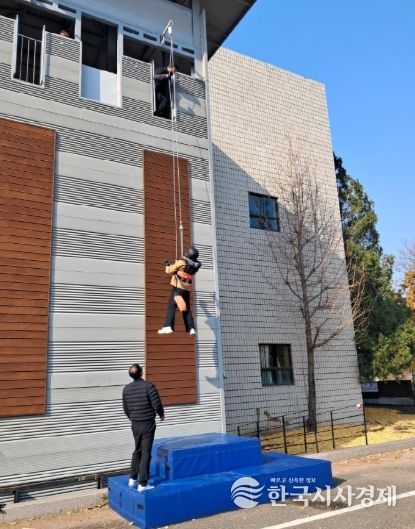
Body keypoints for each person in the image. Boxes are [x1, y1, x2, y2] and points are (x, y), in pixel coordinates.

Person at [122, 364, 164, 492]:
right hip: (147, 423)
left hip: (135, 424)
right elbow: (156, 403)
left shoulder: (126, 389)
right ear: (141, 373)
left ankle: (132, 478)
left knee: (137, 450)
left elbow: (126, 408)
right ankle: (143, 484)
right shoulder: (148, 386)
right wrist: (161, 414)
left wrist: (133, 418)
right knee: (146, 452)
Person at [158, 246, 201, 336]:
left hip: (177, 288)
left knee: (171, 306)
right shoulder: (195, 266)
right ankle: (191, 328)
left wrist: (167, 264)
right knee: (186, 309)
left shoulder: (181, 262)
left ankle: (168, 326)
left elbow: (169, 270)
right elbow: (185, 271)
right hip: (186, 289)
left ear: (188, 254)